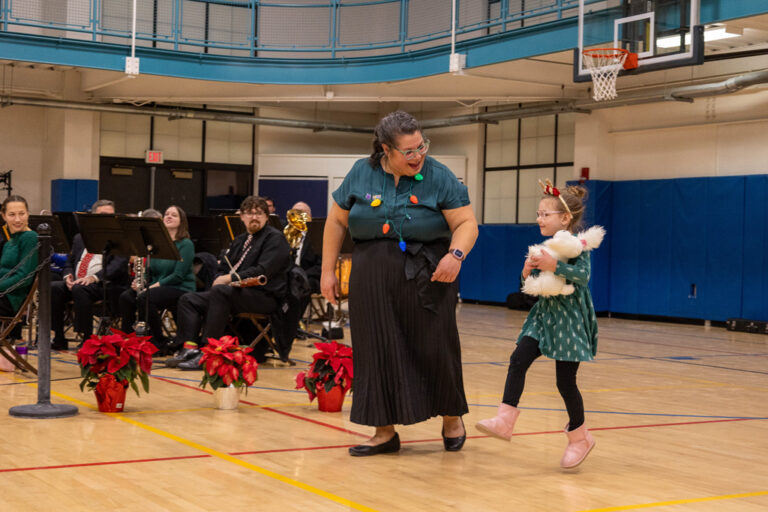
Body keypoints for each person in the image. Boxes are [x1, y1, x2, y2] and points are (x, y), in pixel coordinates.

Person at [322, 110, 478, 456]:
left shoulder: (438, 174)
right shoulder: (361, 172)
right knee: (374, 348)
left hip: (429, 270)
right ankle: (383, 432)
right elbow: (336, 221)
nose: (418, 155)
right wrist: (327, 270)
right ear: (385, 150)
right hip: (371, 272)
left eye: (421, 146)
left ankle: (452, 418)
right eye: (408, 151)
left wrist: (455, 255)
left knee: (436, 345)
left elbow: (467, 223)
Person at [475, 182, 599, 469]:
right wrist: (526, 272)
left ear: (564, 218)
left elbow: (582, 276)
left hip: (569, 321)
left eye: (545, 214)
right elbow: (529, 289)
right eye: (538, 213)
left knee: (565, 382)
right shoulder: (544, 247)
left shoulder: (578, 246)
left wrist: (553, 266)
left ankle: (580, 437)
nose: (539, 219)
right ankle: (505, 420)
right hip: (544, 318)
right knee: (518, 359)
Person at [167, 196, 291, 370]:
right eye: (249, 213)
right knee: (189, 299)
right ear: (241, 217)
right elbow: (223, 266)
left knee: (220, 292)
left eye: (259, 213)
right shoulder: (241, 239)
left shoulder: (275, 239)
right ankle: (189, 348)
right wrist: (221, 276)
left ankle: (208, 352)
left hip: (265, 296)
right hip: (236, 294)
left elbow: (262, 270)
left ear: (266, 217)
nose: (254, 217)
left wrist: (228, 279)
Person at [51, 199, 130, 349]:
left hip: (106, 284)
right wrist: (68, 275)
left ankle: (87, 338)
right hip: (78, 282)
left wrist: (93, 278)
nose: (107, 219)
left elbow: (117, 266)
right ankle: (59, 337)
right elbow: (69, 261)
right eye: (103, 215)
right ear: (93, 217)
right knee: (54, 287)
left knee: (80, 289)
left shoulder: (120, 238)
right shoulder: (80, 238)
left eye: (110, 215)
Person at [118, 205, 195, 353]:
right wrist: (142, 282)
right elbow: (149, 271)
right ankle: (128, 340)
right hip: (156, 287)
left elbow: (178, 275)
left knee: (145, 298)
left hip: (180, 288)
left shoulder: (186, 244)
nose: (169, 216)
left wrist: (152, 287)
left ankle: (158, 341)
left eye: (174, 215)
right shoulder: (156, 244)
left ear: (181, 221)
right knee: (126, 297)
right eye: (167, 214)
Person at [0, 196, 38, 332]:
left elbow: (25, 277)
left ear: (28, 213)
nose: (17, 219)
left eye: (21, 214)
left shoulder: (30, 237)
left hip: (12, 299)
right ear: (3, 216)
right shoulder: (11, 241)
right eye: (12, 214)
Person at [289, 201, 321, 295]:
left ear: (309, 217)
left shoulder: (317, 237)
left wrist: (300, 275)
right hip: (289, 276)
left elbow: (320, 266)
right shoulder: (285, 236)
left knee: (294, 286)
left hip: (309, 277)